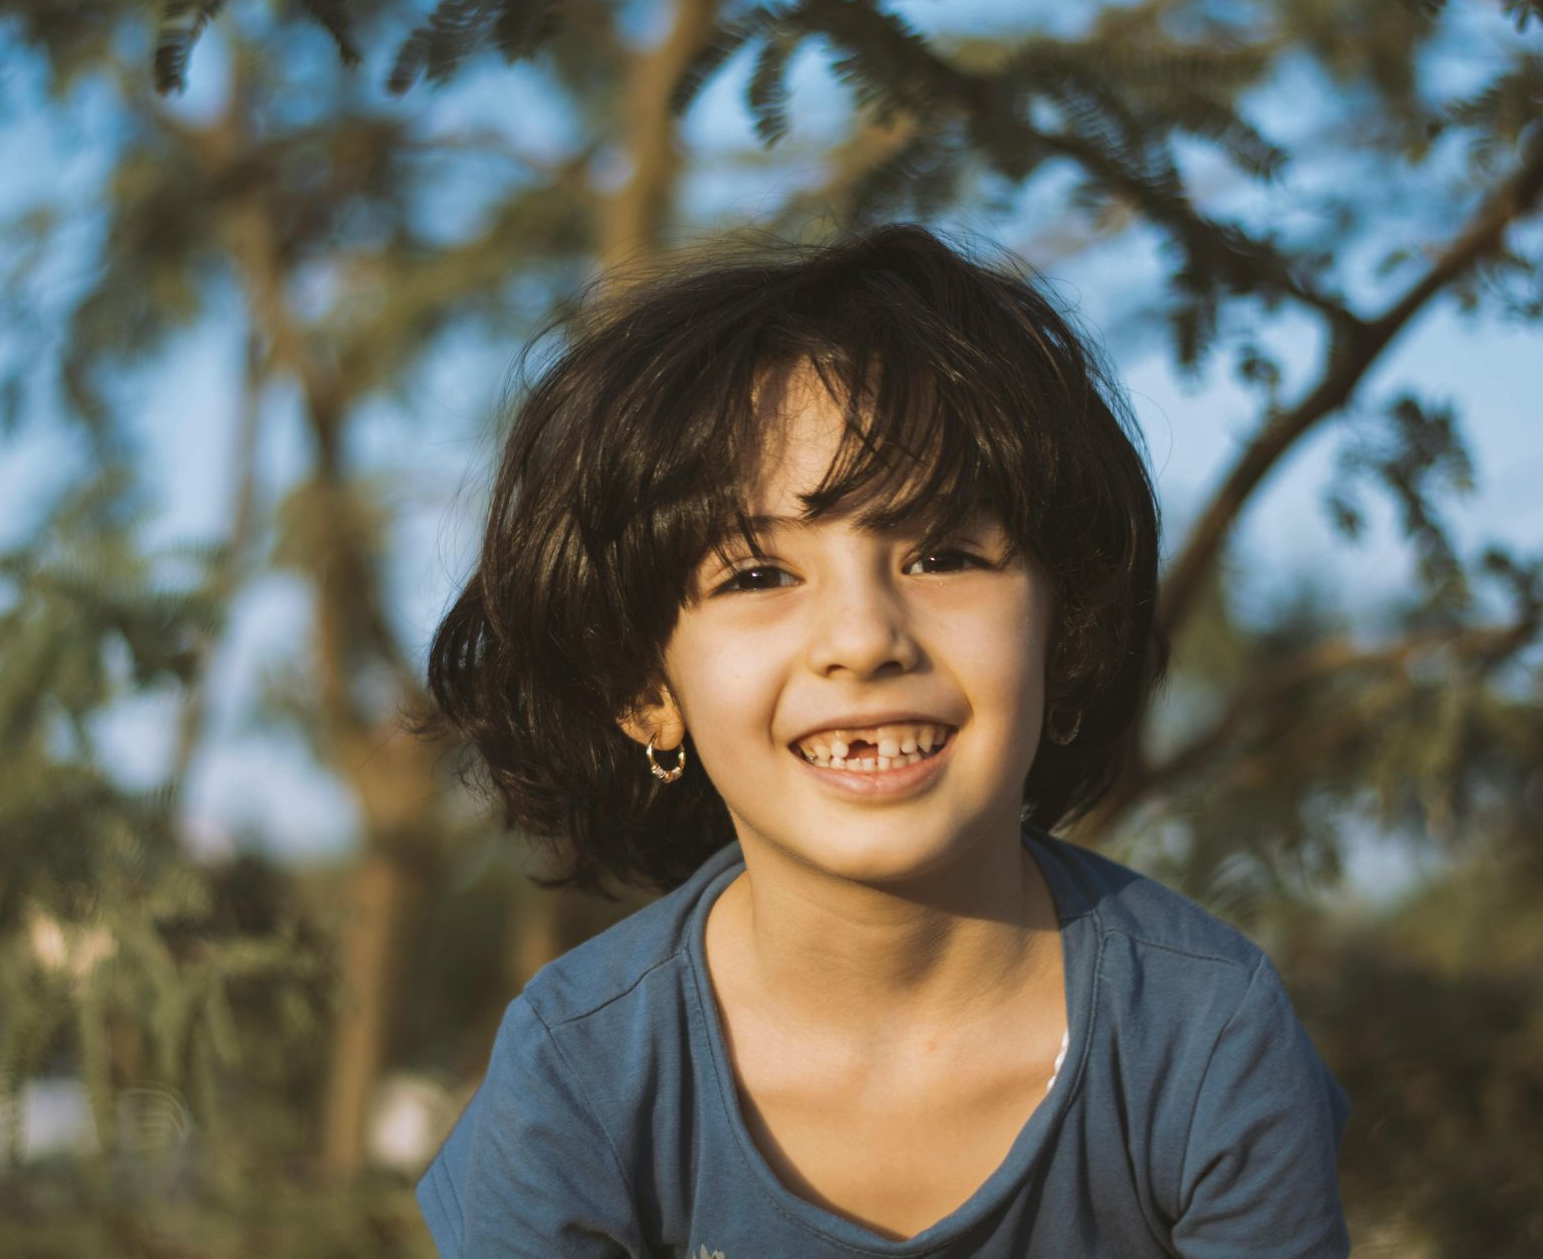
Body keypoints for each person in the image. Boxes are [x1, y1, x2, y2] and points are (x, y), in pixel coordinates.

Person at [411, 223, 1352, 1257]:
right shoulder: (577, 1071)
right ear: (644, 689)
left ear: (1064, 630)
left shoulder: (1204, 1036)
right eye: (757, 576)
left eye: (944, 553)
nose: (863, 638)